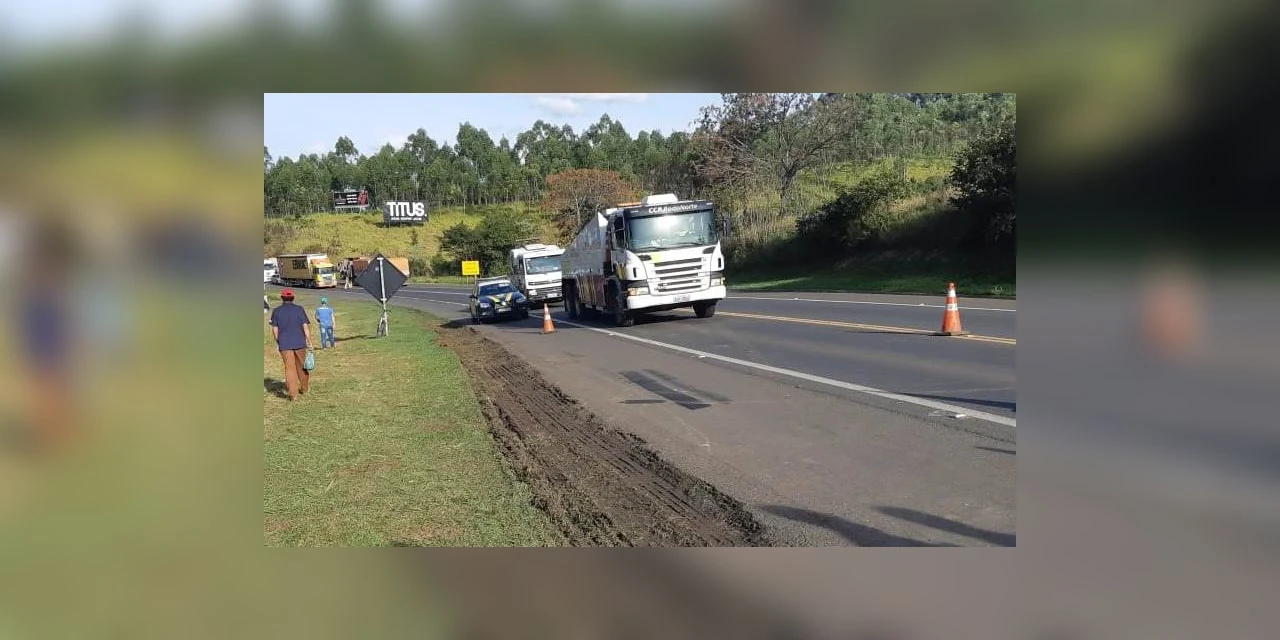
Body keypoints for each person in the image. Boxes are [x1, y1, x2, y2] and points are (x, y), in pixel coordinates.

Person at [268, 289, 313, 401]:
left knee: (289, 368)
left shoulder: (277, 311)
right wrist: (309, 341)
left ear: (282, 298)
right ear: (293, 298)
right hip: (299, 342)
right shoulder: (299, 309)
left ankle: (293, 395)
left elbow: (275, 329)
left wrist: (278, 341)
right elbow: (305, 327)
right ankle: (305, 389)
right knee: (302, 366)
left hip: (285, 343)